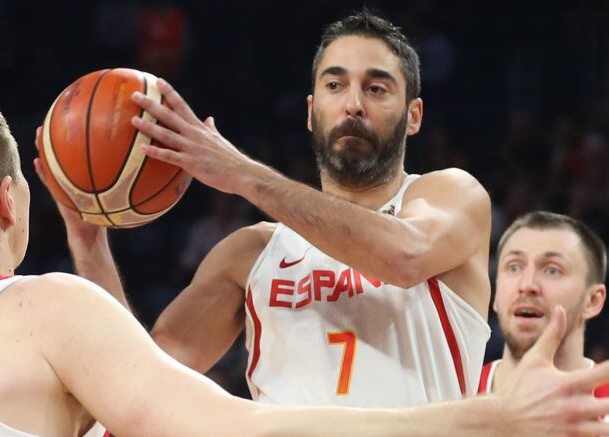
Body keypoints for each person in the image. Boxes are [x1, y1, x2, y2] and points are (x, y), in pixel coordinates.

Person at [0, 88, 609, 437]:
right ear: (12, 200)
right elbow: (235, 428)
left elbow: (125, 392)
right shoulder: (42, 311)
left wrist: (91, 247)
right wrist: (496, 419)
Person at [67, 10, 491, 407]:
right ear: (311, 112)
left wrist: (244, 174)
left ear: (413, 116)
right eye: (334, 85)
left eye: (376, 88)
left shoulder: (451, 195)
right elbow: (142, 384)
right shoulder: (250, 253)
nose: (353, 104)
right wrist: (88, 242)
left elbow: (405, 256)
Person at [477, 212, 609, 412]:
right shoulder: (451, 394)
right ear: (494, 296)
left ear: (592, 301)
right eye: (514, 267)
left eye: (552, 270)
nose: (527, 285)